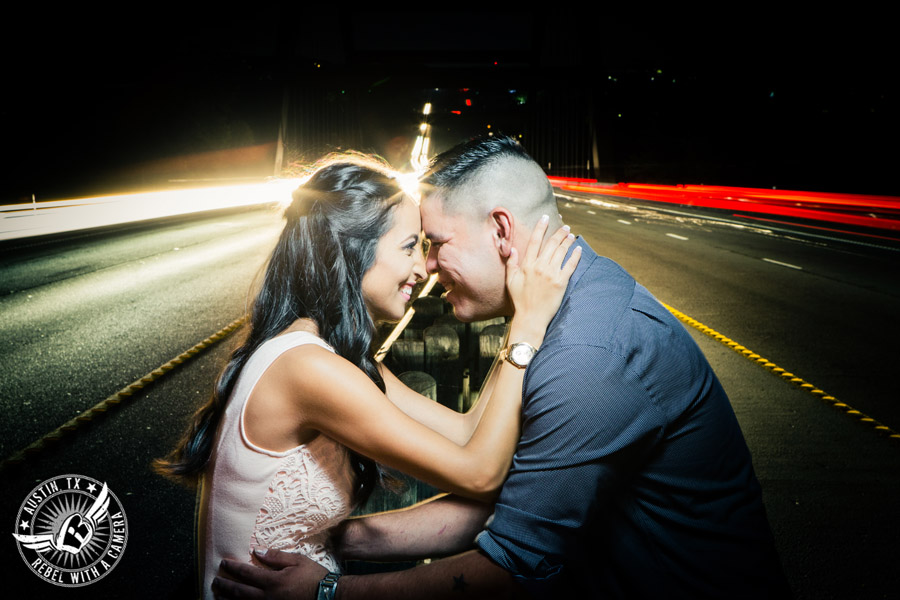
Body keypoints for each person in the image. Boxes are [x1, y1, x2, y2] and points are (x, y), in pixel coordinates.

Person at [213, 137, 792, 599]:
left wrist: (333, 582)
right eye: (415, 246)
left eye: (434, 243)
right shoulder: (566, 319)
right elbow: (490, 479)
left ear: (501, 231)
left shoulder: (586, 355)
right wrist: (342, 541)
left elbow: (508, 557)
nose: (431, 269)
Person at [153, 153, 580, 599]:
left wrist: (515, 305)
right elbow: (479, 474)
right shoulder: (309, 369)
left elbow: (465, 430)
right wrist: (529, 324)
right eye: (409, 246)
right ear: (352, 250)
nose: (423, 268)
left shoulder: (335, 358)